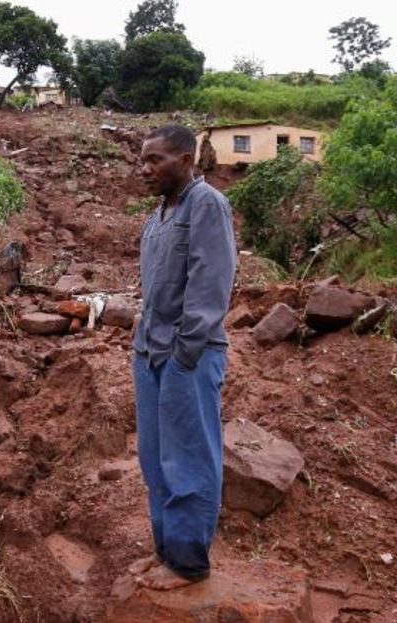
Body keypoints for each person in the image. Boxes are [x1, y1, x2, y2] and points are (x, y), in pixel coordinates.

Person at [131, 125, 236, 589]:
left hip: (186, 355)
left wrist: (184, 352)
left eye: (155, 159)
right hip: (150, 352)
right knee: (155, 460)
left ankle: (189, 564)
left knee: (189, 459)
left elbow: (211, 282)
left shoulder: (206, 205)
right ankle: (166, 551)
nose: (145, 168)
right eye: (142, 159)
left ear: (186, 160)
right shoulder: (158, 216)